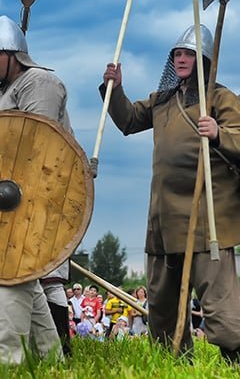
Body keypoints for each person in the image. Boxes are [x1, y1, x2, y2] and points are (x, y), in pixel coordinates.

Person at [101, 24, 240, 361]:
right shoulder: (163, 100)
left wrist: (219, 133)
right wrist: (114, 89)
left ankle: (233, 355)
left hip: (207, 216)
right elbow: (128, 120)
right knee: (162, 299)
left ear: (204, 59)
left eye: (188, 54)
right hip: (163, 218)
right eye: (177, 53)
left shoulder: (221, 99)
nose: (180, 59)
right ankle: (172, 358)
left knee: (219, 296)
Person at [0, 15, 69, 367]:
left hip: (33, 197)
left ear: (12, 54)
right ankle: (48, 355)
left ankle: (0, 356)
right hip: (7, 196)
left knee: (2, 267)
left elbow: (38, 141)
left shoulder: (40, 82)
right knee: (22, 275)